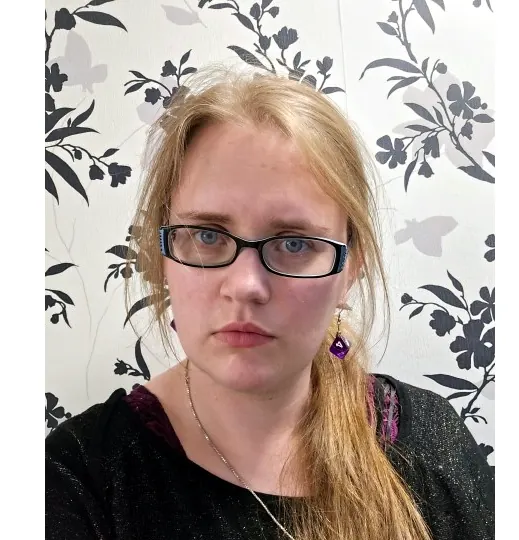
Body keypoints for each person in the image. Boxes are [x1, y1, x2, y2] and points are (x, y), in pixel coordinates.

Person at [46, 67, 494, 540]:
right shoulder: (79, 481)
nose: (244, 286)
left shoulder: (429, 442)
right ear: (164, 256)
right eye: (205, 235)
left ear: (350, 270)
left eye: (295, 243)